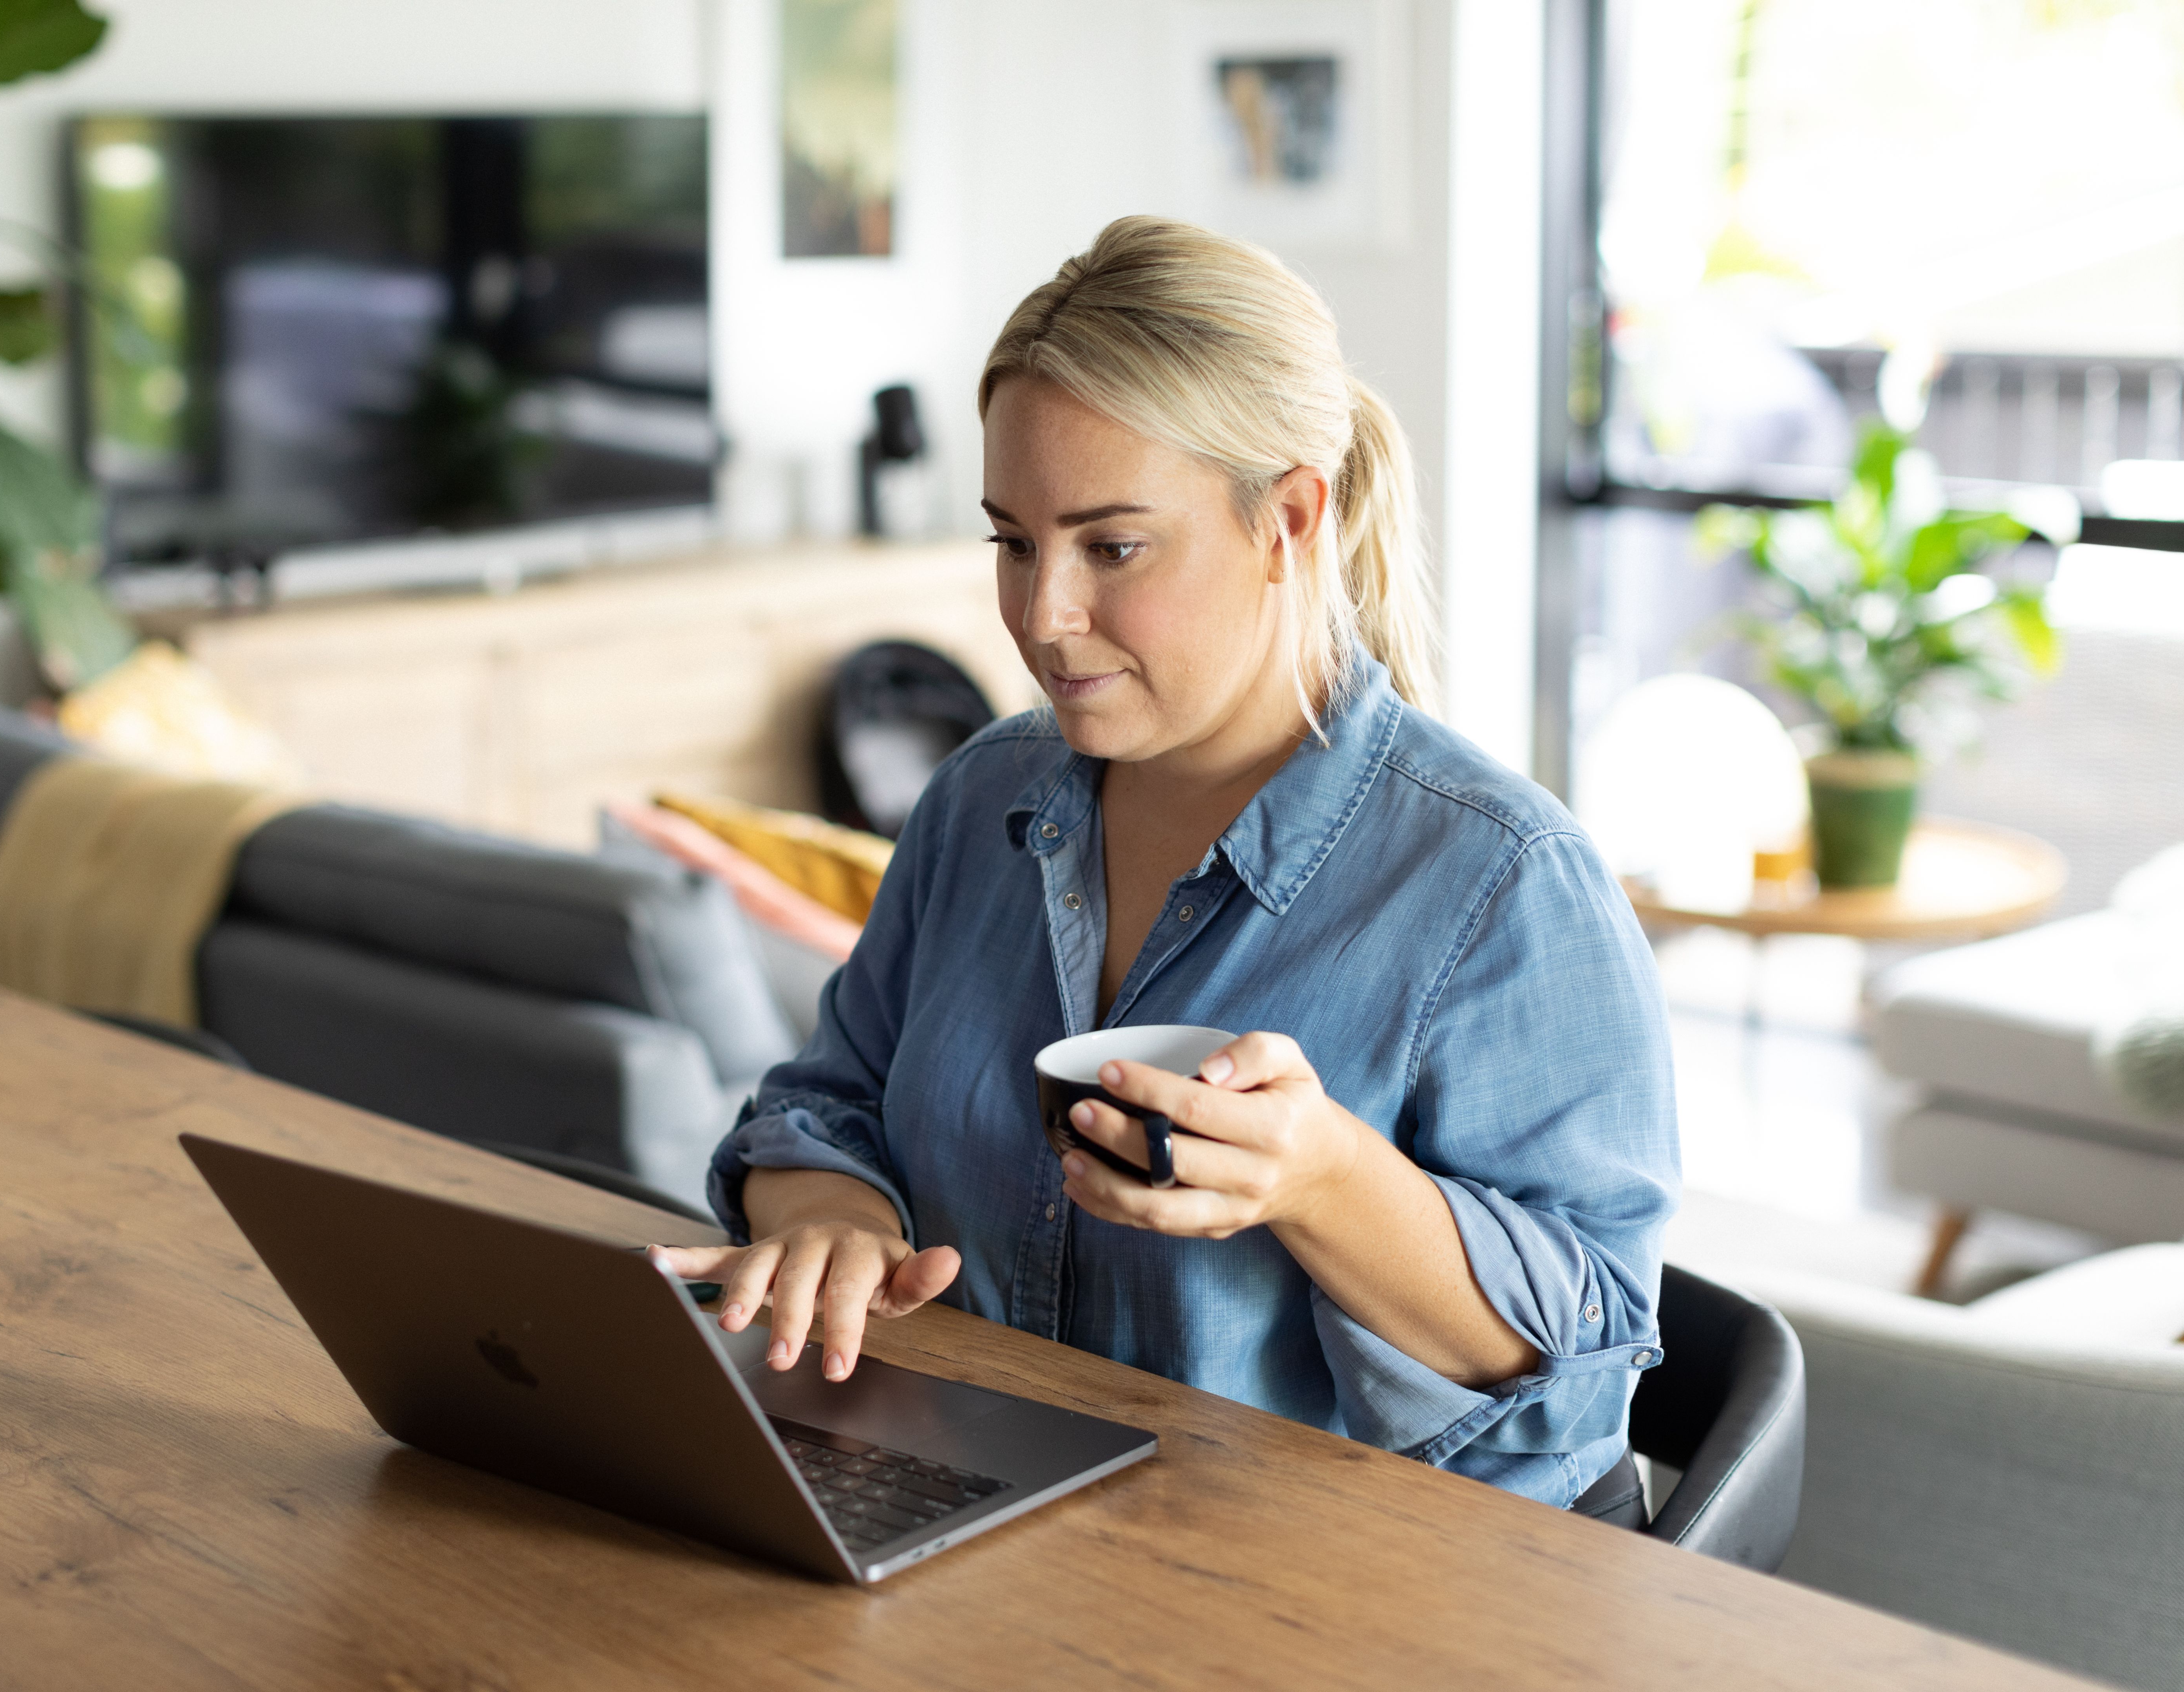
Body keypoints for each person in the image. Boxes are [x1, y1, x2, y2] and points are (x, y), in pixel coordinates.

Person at [656, 215, 1678, 1511]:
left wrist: (1325, 1180)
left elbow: (1581, 1378)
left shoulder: (1500, 881)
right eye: (1013, 543)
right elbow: (824, 1106)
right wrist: (830, 1222)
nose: (1042, 616)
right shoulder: (982, 802)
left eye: (1113, 547)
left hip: (1319, 1587)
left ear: (1289, 519)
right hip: (965, 1517)